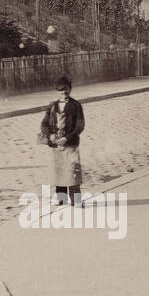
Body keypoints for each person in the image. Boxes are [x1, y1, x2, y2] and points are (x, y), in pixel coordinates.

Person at [39, 77, 85, 206]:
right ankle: (61, 199)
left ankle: (76, 201)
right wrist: (51, 135)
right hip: (56, 146)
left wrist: (67, 138)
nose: (64, 92)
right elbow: (44, 124)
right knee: (58, 173)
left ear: (70, 89)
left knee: (72, 174)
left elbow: (80, 126)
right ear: (57, 91)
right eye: (61, 90)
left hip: (70, 145)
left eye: (66, 90)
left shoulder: (76, 105)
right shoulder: (52, 106)